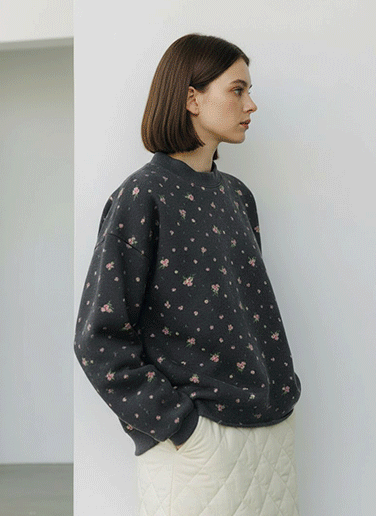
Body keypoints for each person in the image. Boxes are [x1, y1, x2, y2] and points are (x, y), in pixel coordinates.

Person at [74, 33, 302, 516]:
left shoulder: (237, 196)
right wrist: (182, 427)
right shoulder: (142, 196)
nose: (251, 104)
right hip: (199, 445)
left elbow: (246, 313)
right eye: (237, 90)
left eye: (249, 90)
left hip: (272, 433)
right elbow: (99, 339)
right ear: (192, 98)